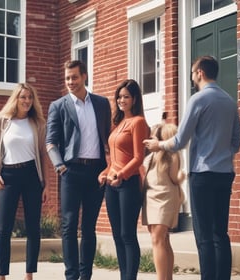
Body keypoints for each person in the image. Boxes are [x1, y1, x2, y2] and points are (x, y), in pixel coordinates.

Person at [143, 55, 240, 280]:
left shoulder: (197, 100)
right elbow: (237, 140)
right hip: (225, 173)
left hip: (202, 174)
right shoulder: (230, 101)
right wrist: (224, 155)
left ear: (200, 73)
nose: (192, 76)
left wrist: (158, 145)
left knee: (204, 235)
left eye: (192, 72)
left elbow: (179, 141)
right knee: (220, 233)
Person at [46, 60, 111, 280]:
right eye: (67, 78)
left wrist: (109, 166)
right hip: (71, 172)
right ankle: (71, 276)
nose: (70, 82)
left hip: (96, 172)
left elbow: (108, 139)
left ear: (84, 76)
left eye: (74, 77)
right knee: (69, 225)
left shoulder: (102, 104)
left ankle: (86, 275)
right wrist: (60, 166)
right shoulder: (58, 106)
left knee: (89, 227)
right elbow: (51, 142)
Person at [0, 83, 49, 280]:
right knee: (4, 229)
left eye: (30, 97)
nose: (27, 101)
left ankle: (29, 274)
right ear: (16, 99)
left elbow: (42, 154)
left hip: (32, 175)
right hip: (8, 177)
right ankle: (2, 275)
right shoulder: (1, 120)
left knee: (33, 227)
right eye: (23, 97)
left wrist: (45, 184)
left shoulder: (38, 123)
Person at [97, 79, 149, 280]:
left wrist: (122, 174)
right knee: (117, 235)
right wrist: (106, 172)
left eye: (126, 96)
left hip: (128, 184)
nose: (121, 100)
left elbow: (138, 157)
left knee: (128, 235)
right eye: (119, 96)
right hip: (111, 185)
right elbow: (115, 160)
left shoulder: (138, 122)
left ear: (134, 99)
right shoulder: (117, 124)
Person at [142, 121, 185, 280]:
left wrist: (181, 177)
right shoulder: (151, 155)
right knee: (163, 239)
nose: (150, 140)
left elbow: (174, 178)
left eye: (154, 137)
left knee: (158, 238)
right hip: (151, 197)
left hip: (165, 197)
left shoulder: (172, 154)